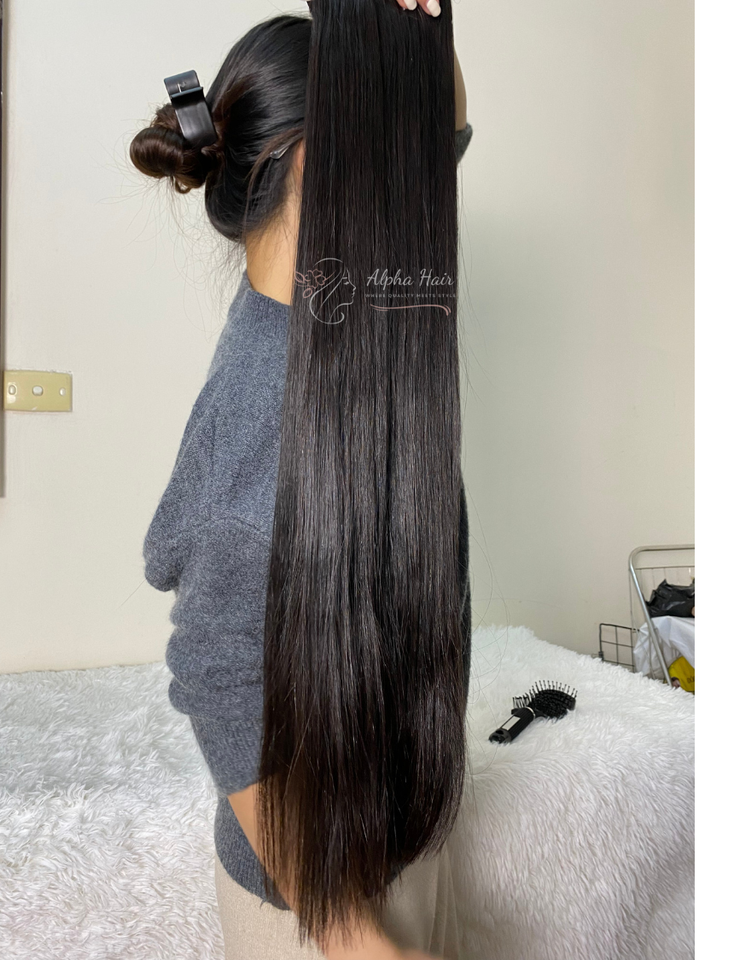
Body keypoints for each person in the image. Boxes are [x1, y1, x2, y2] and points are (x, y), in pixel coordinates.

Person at [134, 2, 473, 958]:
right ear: (321, 164)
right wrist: (352, 934)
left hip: (395, 839)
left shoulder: (332, 334)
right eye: (409, 149)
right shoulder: (270, 402)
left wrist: (413, 38)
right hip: (312, 898)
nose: (429, 179)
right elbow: (217, 669)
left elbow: (443, 129)